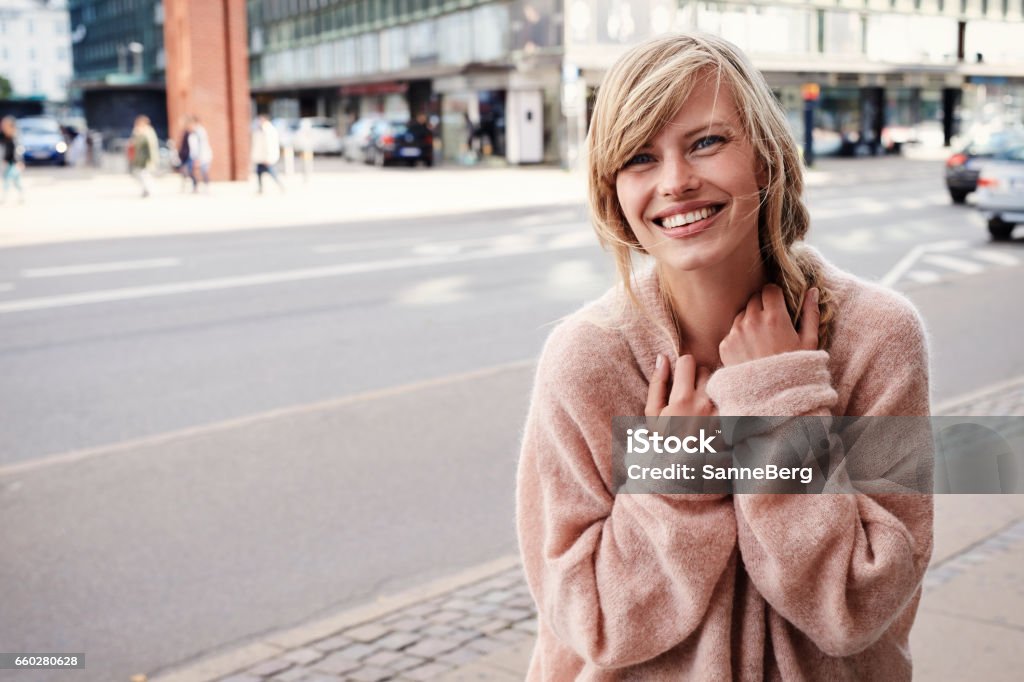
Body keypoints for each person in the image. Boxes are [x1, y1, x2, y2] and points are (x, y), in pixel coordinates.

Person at [516, 33, 933, 680]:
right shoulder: (587, 358)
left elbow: (860, 606)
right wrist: (676, 475)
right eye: (639, 158)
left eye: (707, 142)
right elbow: (591, 622)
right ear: (613, 192)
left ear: (766, 158)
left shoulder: (876, 336)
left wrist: (779, 407)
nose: (676, 182)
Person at [251, 114, 284, 194]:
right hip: (260, 157)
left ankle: (281, 186)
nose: (259, 121)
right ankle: (260, 189)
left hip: (267, 158)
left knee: (272, 173)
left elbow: (270, 145)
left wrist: (268, 158)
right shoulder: (258, 130)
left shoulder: (269, 130)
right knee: (259, 173)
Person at [129, 114, 159, 198]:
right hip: (139, 159)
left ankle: (148, 190)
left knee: (145, 175)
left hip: (145, 159)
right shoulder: (139, 132)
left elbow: (151, 147)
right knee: (140, 175)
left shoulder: (148, 132)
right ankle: (146, 190)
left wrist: (152, 160)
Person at [1, 116, 25, 203]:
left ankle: (5, 197)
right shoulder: (4, 137)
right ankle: (21, 196)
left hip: (15, 163)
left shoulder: (15, 138)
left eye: (5, 126)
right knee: (16, 181)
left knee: (8, 179)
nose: (3, 127)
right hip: (8, 163)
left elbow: (18, 152)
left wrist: (20, 162)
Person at [192, 115, 213, 191]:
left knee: (203, 171)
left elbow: (200, 145)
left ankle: (205, 186)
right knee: (199, 171)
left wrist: (198, 157)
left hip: (202, 155)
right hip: (200, 155)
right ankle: (197, 186)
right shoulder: (196, 131)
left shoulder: (199, 131)